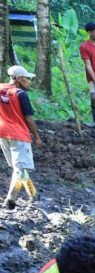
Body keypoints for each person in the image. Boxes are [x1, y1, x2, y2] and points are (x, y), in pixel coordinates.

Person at [1, 66, 41, 210]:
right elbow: (29, 118)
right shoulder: (20, 94)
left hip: (2, 132)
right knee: (20, 168)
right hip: (18, 134)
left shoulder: (0, 89)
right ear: (18, 79)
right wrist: (36, 136)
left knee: (19, 168)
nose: (28, 81)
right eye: (26, 78)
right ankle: (10, 199)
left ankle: (33, 193)